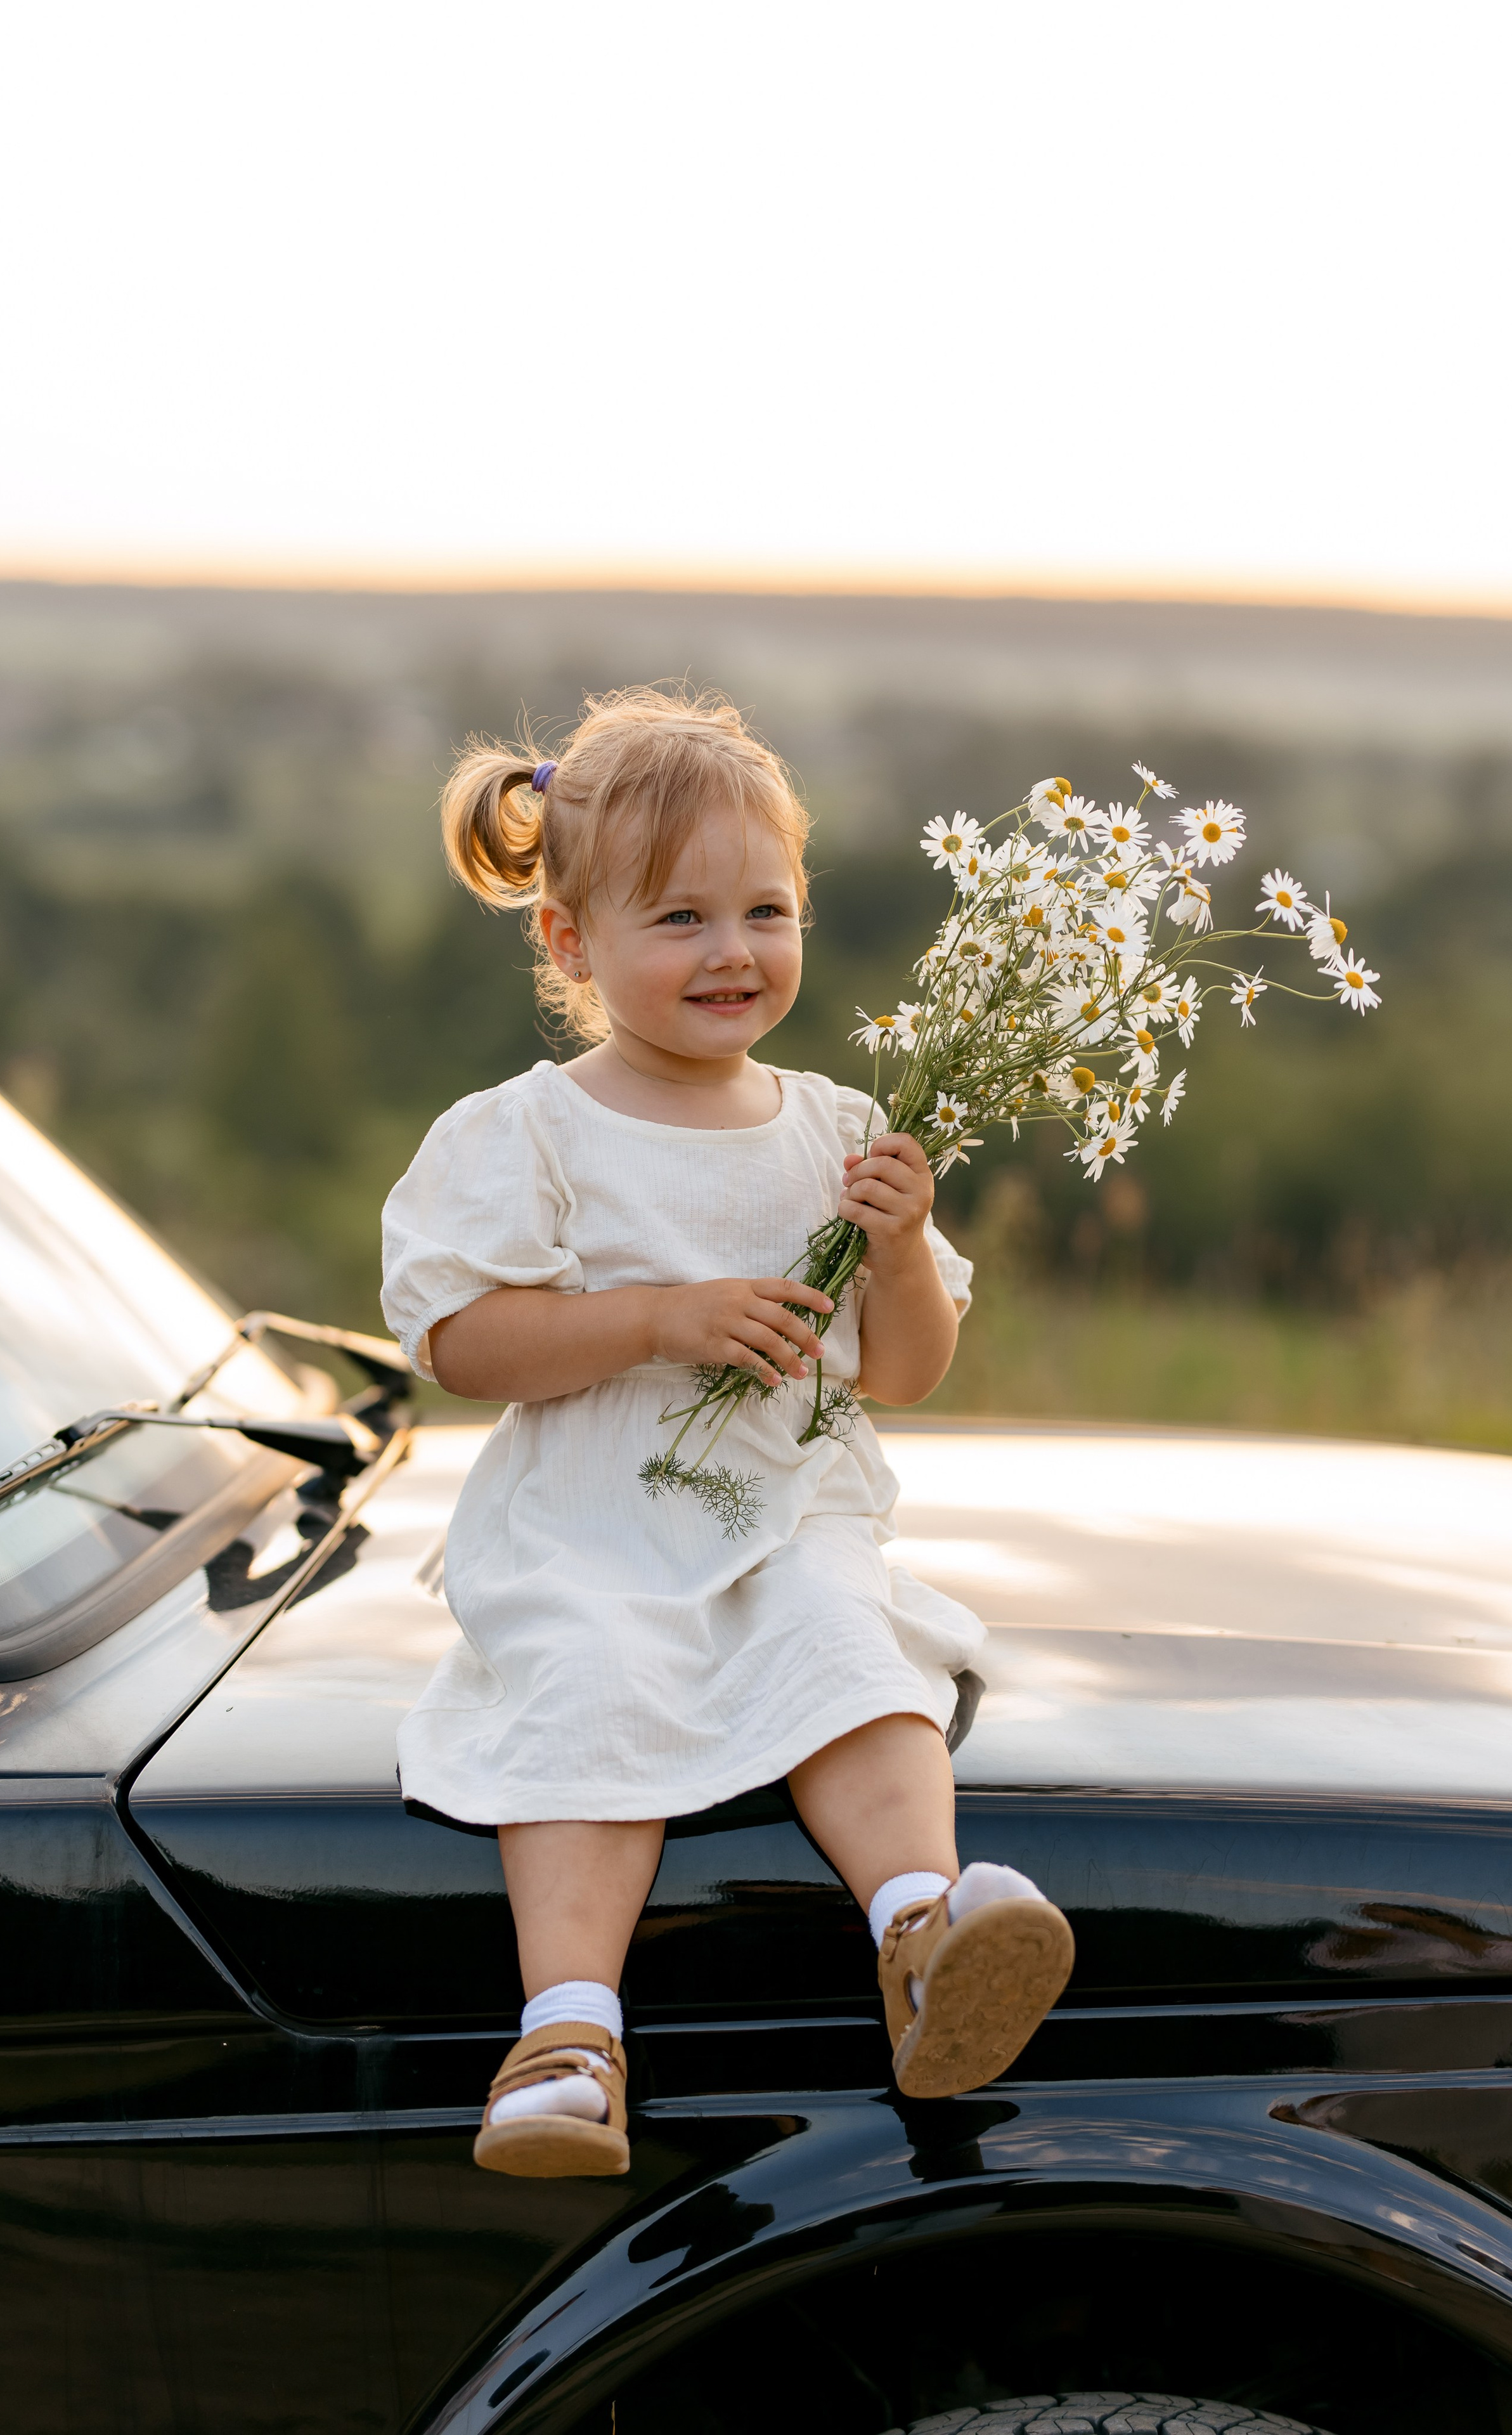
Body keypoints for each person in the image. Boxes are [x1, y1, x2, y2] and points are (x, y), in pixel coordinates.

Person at [381, 686, 1074, 2179]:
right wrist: (655, 1318)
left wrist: (898, 1249)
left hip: (782, 1502)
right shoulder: (530, 1131)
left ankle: (922, 1937)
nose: (732, 951)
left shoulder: (835, 1128)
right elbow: (459, 1345)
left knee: (846, 1652)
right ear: (571, 941)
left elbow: (903, 1374)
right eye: (680, 918)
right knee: (586, 1680)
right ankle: (568, 2037)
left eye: (765, 910)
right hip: (590, 1513)